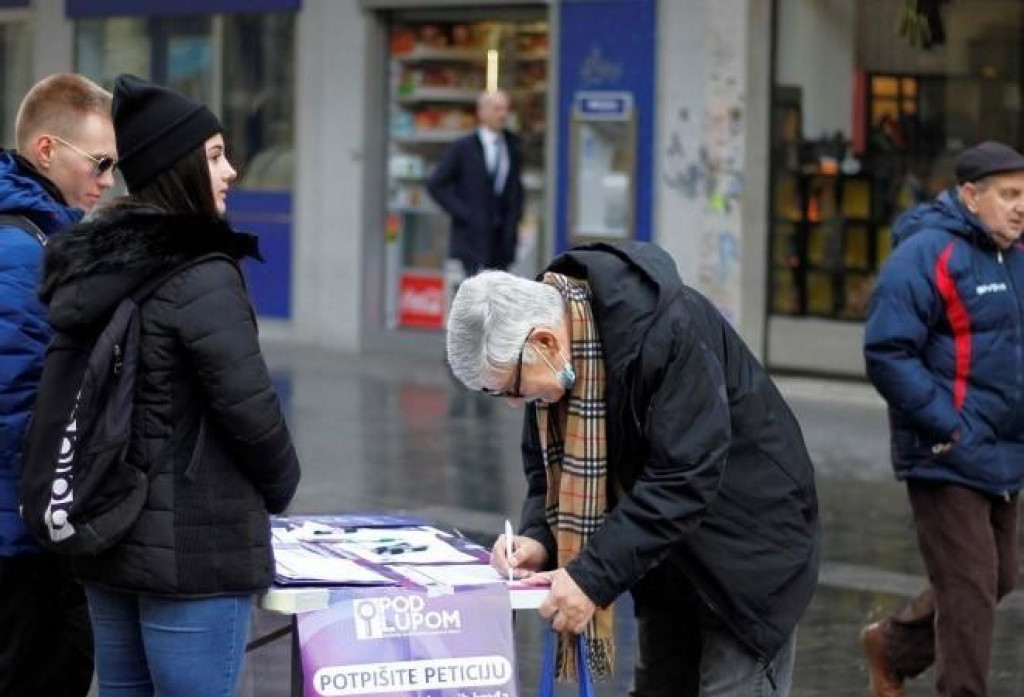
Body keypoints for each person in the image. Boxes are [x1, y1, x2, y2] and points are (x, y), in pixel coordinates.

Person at [446, 240, 821, 696]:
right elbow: (546, 473)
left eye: (511, 389)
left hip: (748, 554)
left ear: (544, 342)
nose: (512, 404)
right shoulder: (550, 361)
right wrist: (537, 538)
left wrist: (590, 578)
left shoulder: (665, 330)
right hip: (667, 557)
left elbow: (684, 476)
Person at [37, 74, 301, 697]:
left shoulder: (95, 262)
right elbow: (250, 408)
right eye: (214, 155)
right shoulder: (203, 273)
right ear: (178, 167)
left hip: (108, 534)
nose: (231, 170)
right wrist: (282, 485)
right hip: (195, 551)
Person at [862, 141, 1024, 697]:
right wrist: (946, 424)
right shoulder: (925, 254)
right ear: (971, 196)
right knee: (970, 587)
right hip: (947, 451)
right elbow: (887, 351)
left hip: (1005, 449)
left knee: (1001, 575)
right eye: (1008, 194)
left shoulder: (1016, 256)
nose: (1020, 206)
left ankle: (894, 646)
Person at [0, 73, 116, 697]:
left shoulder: (42, 235)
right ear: (47, 151)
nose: (106, 181)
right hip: (24, 547)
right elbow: (17, 411)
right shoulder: (21, 250)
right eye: (99, 163)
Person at [427, 90, 524, 276]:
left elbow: (515, 190)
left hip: (502, 243)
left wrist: (515, 222)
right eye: (497, 109)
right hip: (472, 241)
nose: (503, 114)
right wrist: (465, 213)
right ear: (482, 113)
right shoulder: (463, 147)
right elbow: (436, 184)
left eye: (505, 109)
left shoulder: (513, 145)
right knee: (475, 296)